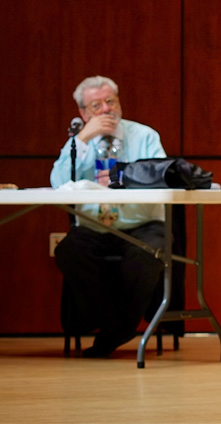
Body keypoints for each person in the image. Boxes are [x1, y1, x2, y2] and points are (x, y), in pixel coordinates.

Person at [50, 75, 168, 358]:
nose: (105, 110)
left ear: (119, 102)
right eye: (96, 105)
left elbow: (161, 177)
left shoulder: (145, 136)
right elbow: (58, 184)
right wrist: (82, 138)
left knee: (147, 253)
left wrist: (122, 177)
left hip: (141, 225)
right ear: (83, 113)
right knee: (68, 251)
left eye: (110, 101)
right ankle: (118, 326)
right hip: (94, 227)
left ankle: (115, 330)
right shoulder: (78, 142)